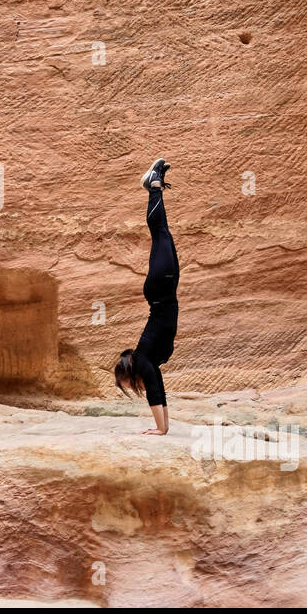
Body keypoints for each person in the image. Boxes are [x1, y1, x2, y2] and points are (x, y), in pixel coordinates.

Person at [113, 158, 178, 435]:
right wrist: (165, 427)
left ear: (126, 374)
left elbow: (152, 391)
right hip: (166, 290)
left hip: (160, 290)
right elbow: (160, 390)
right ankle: (155, 182)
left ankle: (153, 185)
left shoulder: (141, 360)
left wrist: (160, 430)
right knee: (163, 234)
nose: (125, 388)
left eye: (122, 384)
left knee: (160, 232)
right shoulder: (148, 362)